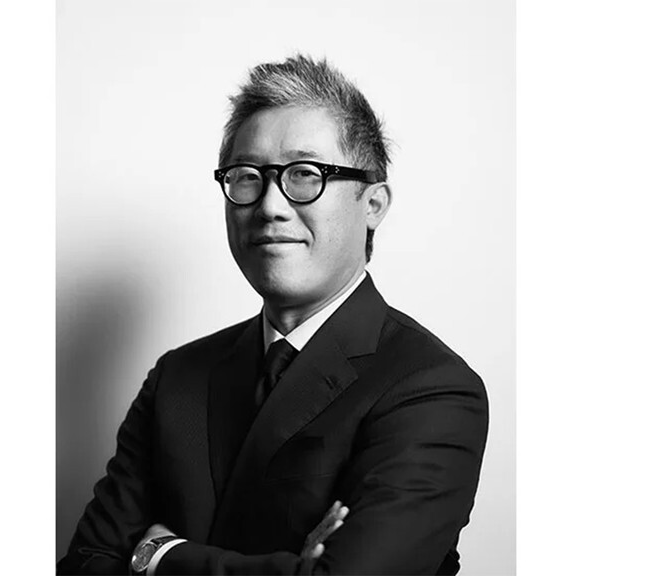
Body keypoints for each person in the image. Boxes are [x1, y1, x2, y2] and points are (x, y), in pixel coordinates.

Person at [58, 54, 488, 575]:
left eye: (305, 174)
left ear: (373, 204)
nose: (270, 206)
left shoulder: (432, 389)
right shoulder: (178, 378)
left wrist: (160, 555)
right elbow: (86, 563)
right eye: (247, 177)